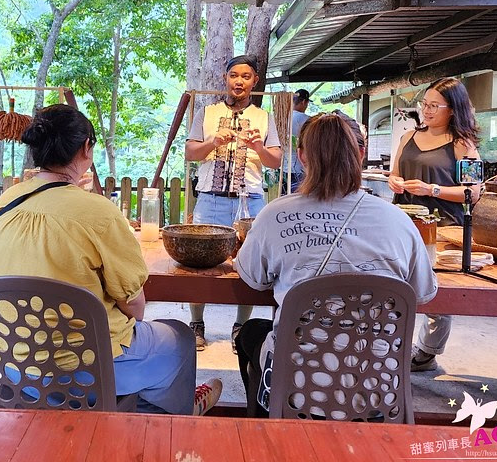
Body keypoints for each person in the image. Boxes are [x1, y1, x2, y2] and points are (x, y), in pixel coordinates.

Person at [0, 104, 221, 416]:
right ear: (86, 148)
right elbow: (134, 308)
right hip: (83, 367)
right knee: (179, 337)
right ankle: (165, 427)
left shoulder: (5, 202)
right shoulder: (98, 213)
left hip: (14, 362)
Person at [234, 112, 437, 417]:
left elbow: (253, 279)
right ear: (361, 154)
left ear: (302, 157)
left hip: (300, 390)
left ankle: (265, 425)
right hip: (376, 390)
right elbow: (423, 293)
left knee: (250, 332)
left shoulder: (274, 216)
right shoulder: (399, 222)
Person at [185, 54, 282, 353]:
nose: (239, 81)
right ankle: (197, 322)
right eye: (233, 75)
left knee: (248, 264)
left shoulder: (264, 117)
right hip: (210, 198)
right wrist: (213, 142)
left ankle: (241, 326)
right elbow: (190, 153)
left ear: (254, 81)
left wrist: (257, 147)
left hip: (249, 198)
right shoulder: (206, 111)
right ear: (225, 79)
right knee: (196, 263)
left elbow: (275, 161)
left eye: (246, 76)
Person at [388, 77, 481, 372]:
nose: (426, 111)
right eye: (423, 104)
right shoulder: (408, 138)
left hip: (442, 227)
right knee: (393, 284)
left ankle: (427, 352)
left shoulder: (461, 144)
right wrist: (394, 181)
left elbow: (473, 192)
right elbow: (394, 173)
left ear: (452, 109)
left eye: (433, 106)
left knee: (436, 290)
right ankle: (390, 343)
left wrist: (433, 190)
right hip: (402, 223)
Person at [281, 88, 311, 194]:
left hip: (283, 167)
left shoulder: (283, 117)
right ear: (304, 102)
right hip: (299, 167)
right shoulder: (306, 119)